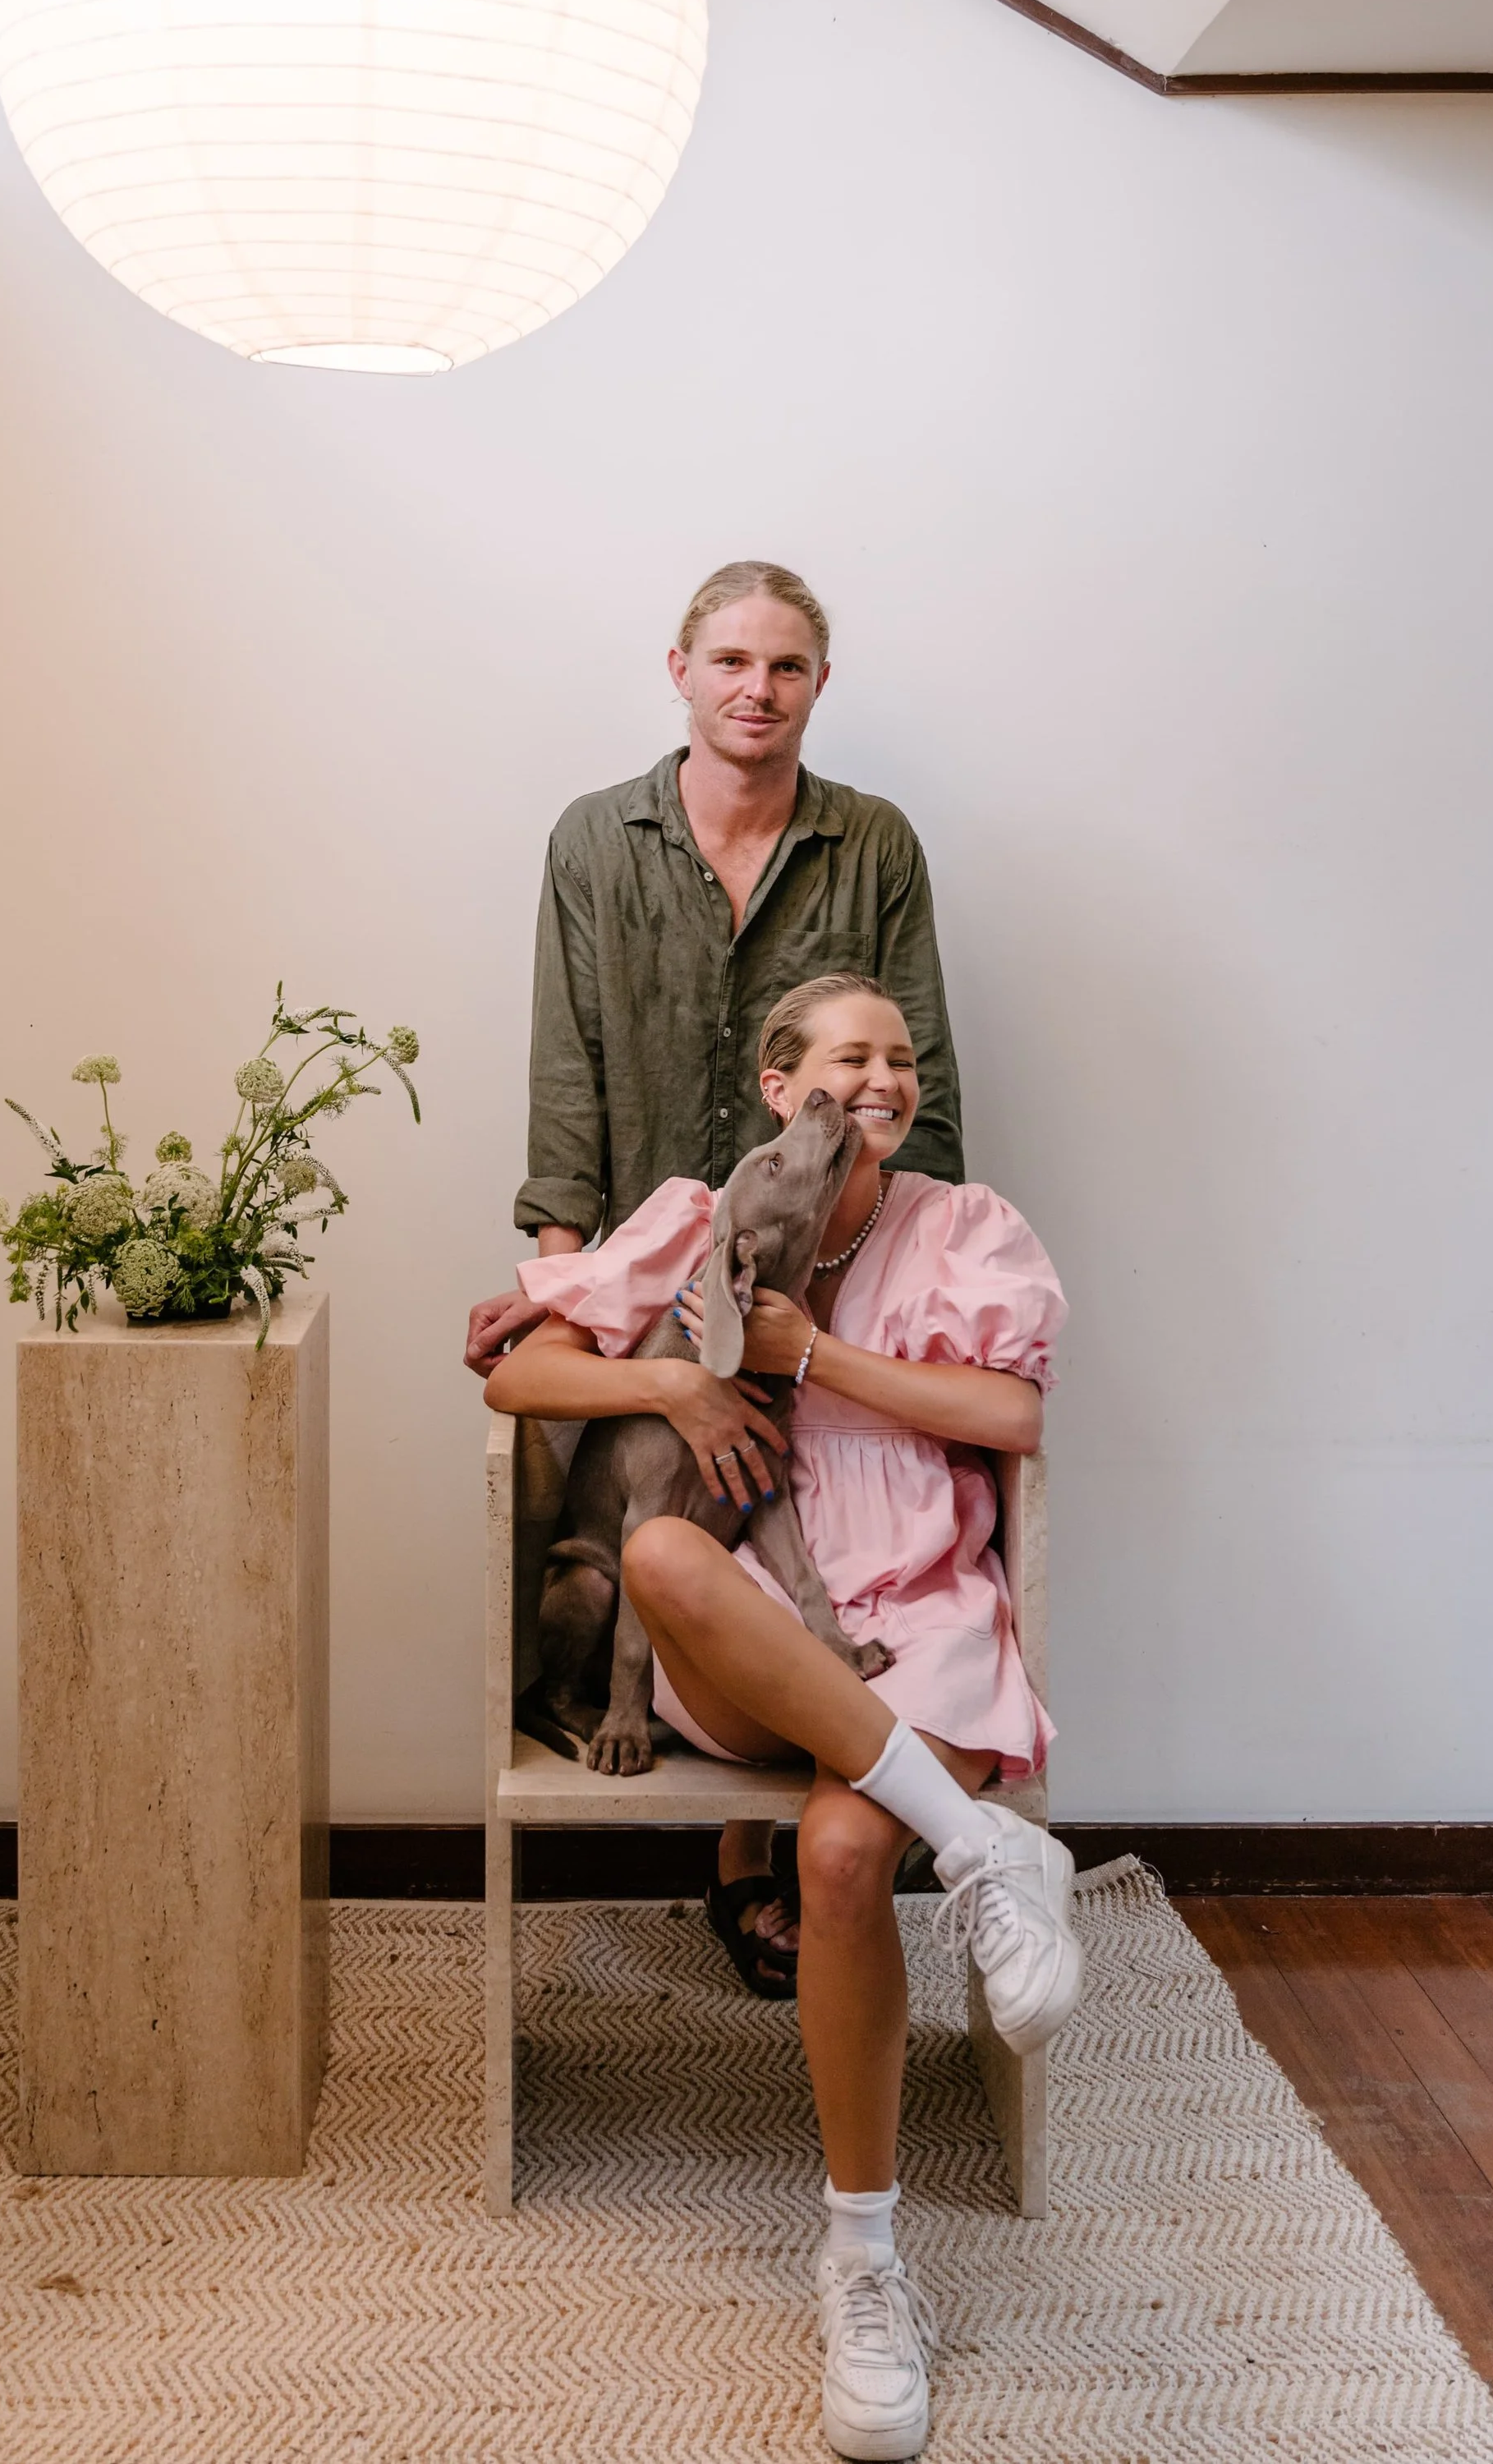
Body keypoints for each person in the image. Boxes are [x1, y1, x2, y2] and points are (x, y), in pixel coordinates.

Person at [485, 973, 1078, 2464]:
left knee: (836, 1857)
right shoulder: (704, 1214)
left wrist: (803, 1353)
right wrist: (686, 1387)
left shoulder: (964, 1225)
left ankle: (863, 2260)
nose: (881, 1077)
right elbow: (515, 1371)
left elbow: (1012, 1418)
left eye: (900, 1056)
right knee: (664, 1554)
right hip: (756, 1630)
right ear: (780, 1087)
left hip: (918, 1615)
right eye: (847, 1056)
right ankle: (986, 1851)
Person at [465, 559, 966, 1996]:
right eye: (731, 660)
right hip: (646, 1278)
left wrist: (888, 1286)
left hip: (819, 1275)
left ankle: (777, 1855)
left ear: (820, 685)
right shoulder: (595, 839)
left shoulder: (872, 845)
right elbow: (570, 1069)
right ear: (679, 670)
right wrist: (566, 1284)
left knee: (801, 1525)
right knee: (640, 1524)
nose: (758, 688)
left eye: (787, 666)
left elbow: (917, 1078)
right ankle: (721, 1821)